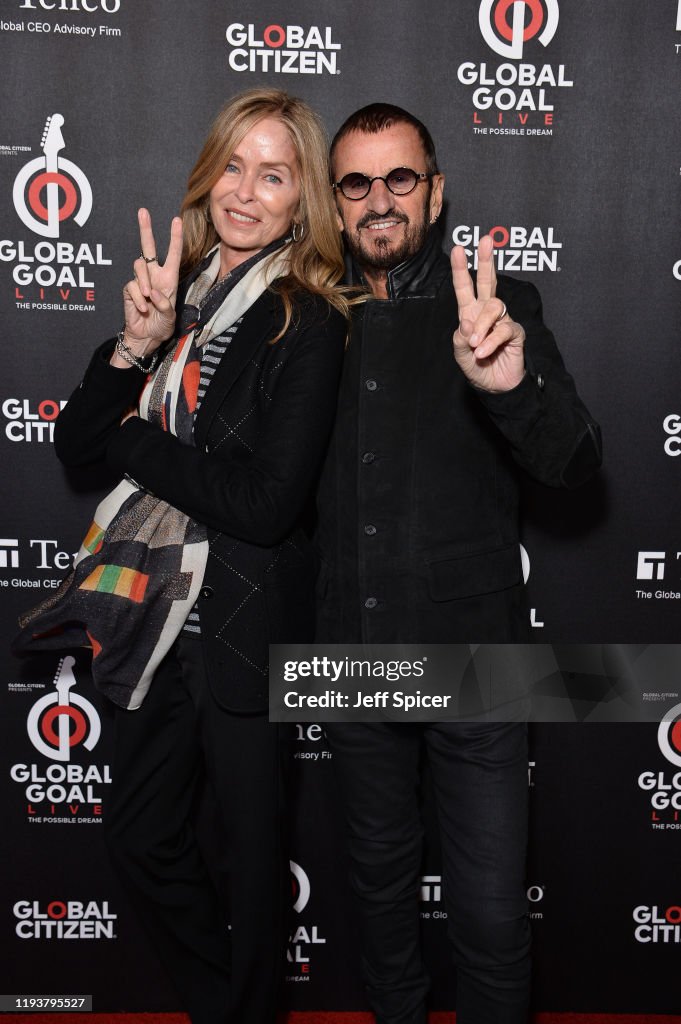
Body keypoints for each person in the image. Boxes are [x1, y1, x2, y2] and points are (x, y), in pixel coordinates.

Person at [15, 88, 349, 1024]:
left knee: (252, 867)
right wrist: (136, 343)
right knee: (141, 840)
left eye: (273, 174)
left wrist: (132, 434)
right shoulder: (180, 294)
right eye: (233, 166)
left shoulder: (306, 319)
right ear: (208, 176)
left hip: (244, 627)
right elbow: (75, 440)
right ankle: (222, 1008)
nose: (246, 192)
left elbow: (265, 503)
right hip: (155, 625)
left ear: (301, 198)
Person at [315, 104, 602, 1024]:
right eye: (356, 184)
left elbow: (574, 462)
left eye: (401, 179)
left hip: (476, 659)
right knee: (379, 901)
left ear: (435, 195)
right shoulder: (308, 316)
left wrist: (509, 386)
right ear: (336, 201)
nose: (379, 202)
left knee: (486, 915)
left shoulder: (497, 303)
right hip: (350, 653)